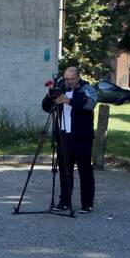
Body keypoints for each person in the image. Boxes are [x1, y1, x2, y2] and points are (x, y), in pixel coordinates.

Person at [41, 66, 98, 212]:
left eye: (71, 79)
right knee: (65, 170)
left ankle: (87, 204)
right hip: (63, 135)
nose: (68, 82)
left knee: (84, 170)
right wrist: (49, 96)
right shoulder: (60, 87)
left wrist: (69, 101)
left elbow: (90, 104)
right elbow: (46, 107)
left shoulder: (87, 88)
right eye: (66, 79)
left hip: (82, 136)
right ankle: (64, 202)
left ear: (78, 78)